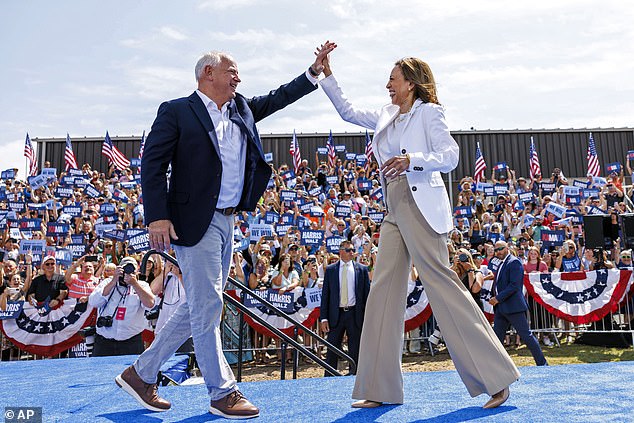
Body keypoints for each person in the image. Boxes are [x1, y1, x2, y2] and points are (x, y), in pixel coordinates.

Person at [116, 42, 337, 419]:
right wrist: (157, 216)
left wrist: (313, 72)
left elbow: (279, 97)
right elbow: (152, 164)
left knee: (197, 306)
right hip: (192, 220)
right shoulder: (177, 111)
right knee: (208, 306)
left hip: (228, 219)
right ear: (208, 74)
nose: (238, 77)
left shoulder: (241, 108)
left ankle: (141, 373)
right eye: (232, 71)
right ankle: (222, 391)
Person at [319, 50, 519, 409]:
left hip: (420, 204)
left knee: (442, 286)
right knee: (382, 292)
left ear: (410, 84)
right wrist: (327, 76)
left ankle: (497, 379)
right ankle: (380, 389)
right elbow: (348, 111)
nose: (387, 86)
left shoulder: (430, 113)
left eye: (393, 80)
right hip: (393, 209)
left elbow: (451, 156)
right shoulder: (387, 115)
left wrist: (413, 160)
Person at [489, 241, 547, 366]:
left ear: (507, 248)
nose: (498, 252)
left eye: (500, 249)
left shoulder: (514, 262)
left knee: (526, 336)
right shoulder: (501, 264)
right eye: (496, 250)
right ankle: (494, 366)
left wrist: (498, 298)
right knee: (496, 338)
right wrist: (492, 296)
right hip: (501, 308)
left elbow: (514, 286)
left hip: (513, 307)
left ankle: (542, 363)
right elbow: (498, 284)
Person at [319, 240, 370, 376]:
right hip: (336, 314)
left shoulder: (362, 269)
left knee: (355, 348)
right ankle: (329, 377)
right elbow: (326, 296)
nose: (352, 252)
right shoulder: (331, 270)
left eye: (353, 249)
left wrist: (368, 316)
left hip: (355, 314)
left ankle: (355, 376)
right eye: (348, 250)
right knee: (332, 349)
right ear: (341, 251)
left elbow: (367, 296)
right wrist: (323, 318)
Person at [89, 257, 155, 356]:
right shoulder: (108, 282)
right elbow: (93, 302)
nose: (127, 272)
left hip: (131, 342)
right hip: (104, 342)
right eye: (125, 268)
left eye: (131, 269)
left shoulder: (142, 285)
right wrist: (113, 281)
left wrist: (135, 284)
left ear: (137, 271)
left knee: (132, 371)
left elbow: (150, 304)